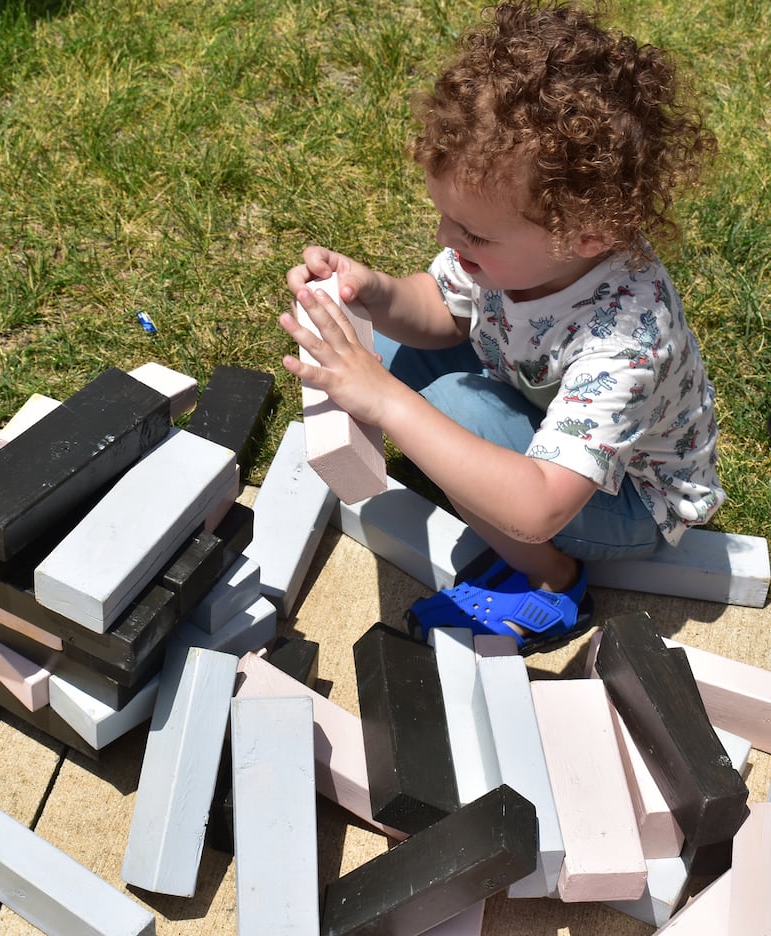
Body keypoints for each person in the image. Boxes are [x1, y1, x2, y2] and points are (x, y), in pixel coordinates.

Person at [279, 0, 724, 654]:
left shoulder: (626, 341)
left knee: (445, 406)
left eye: (471, 232)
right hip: (548, 410)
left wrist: (391, 405)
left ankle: (553, 583)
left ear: (587, 234)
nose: (443, 238)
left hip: (629, 500)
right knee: (393, 342)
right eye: (446, 219)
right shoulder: (515, 253)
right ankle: (449, 440)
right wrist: (369, 292)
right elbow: (438, 305)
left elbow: (539, 505)